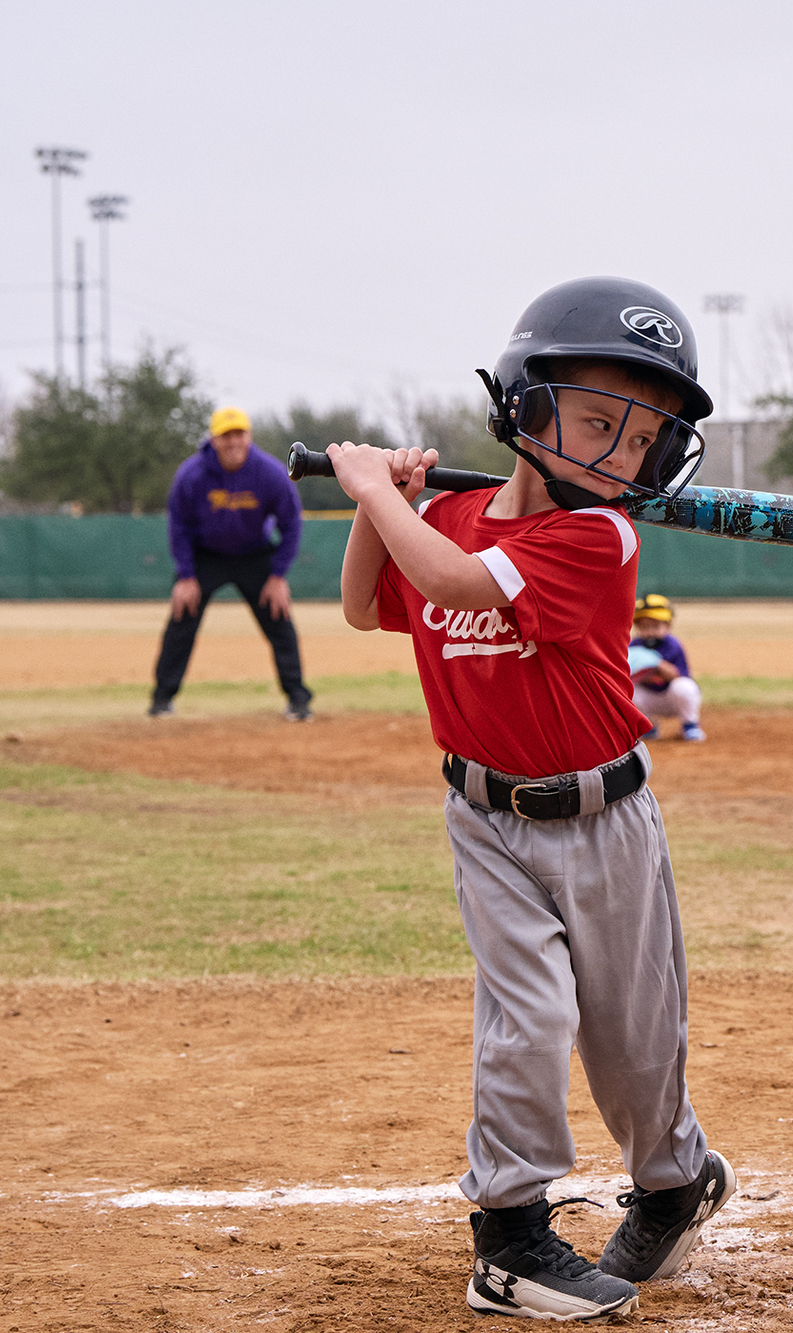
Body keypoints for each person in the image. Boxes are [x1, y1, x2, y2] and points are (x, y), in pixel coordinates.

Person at [325, 277, 732, 1322]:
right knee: (529, 1014)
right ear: (523, 404)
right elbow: (368, 605)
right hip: (487, 823)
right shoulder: (448, 518)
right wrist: (393, 501)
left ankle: (673, 1177)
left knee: (636, 1045)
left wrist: (376, 491)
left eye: (639, 441)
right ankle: (508, 1235)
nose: (615, 455)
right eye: (598, 421)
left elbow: (458, 586)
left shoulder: (598, 540)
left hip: (608, 822)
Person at [150, 406, 313, 720]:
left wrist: (278, 576)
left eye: (239, 433)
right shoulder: (192, 474)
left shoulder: (269, 472)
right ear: (213, 439)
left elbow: (291, 523)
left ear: (249, 436)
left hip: (254, 554)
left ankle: (298, 699)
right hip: (204, 556)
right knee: (182, 619)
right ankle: (161, 699)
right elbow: (179, 526)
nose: (233, 441)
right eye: (225, 435)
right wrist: (186, 576)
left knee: (279, 620)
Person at [629, 594, 705, 742]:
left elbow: (677, 676)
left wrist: (655, 662)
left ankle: (690, 725)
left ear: (668, 626)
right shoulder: (634, 646)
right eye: (644, 627)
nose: (649, 631)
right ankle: (648, 727)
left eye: (655, 626)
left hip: (672, 699)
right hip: (649, 699)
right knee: (625, 690)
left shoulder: (672, 645)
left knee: (684, 687)